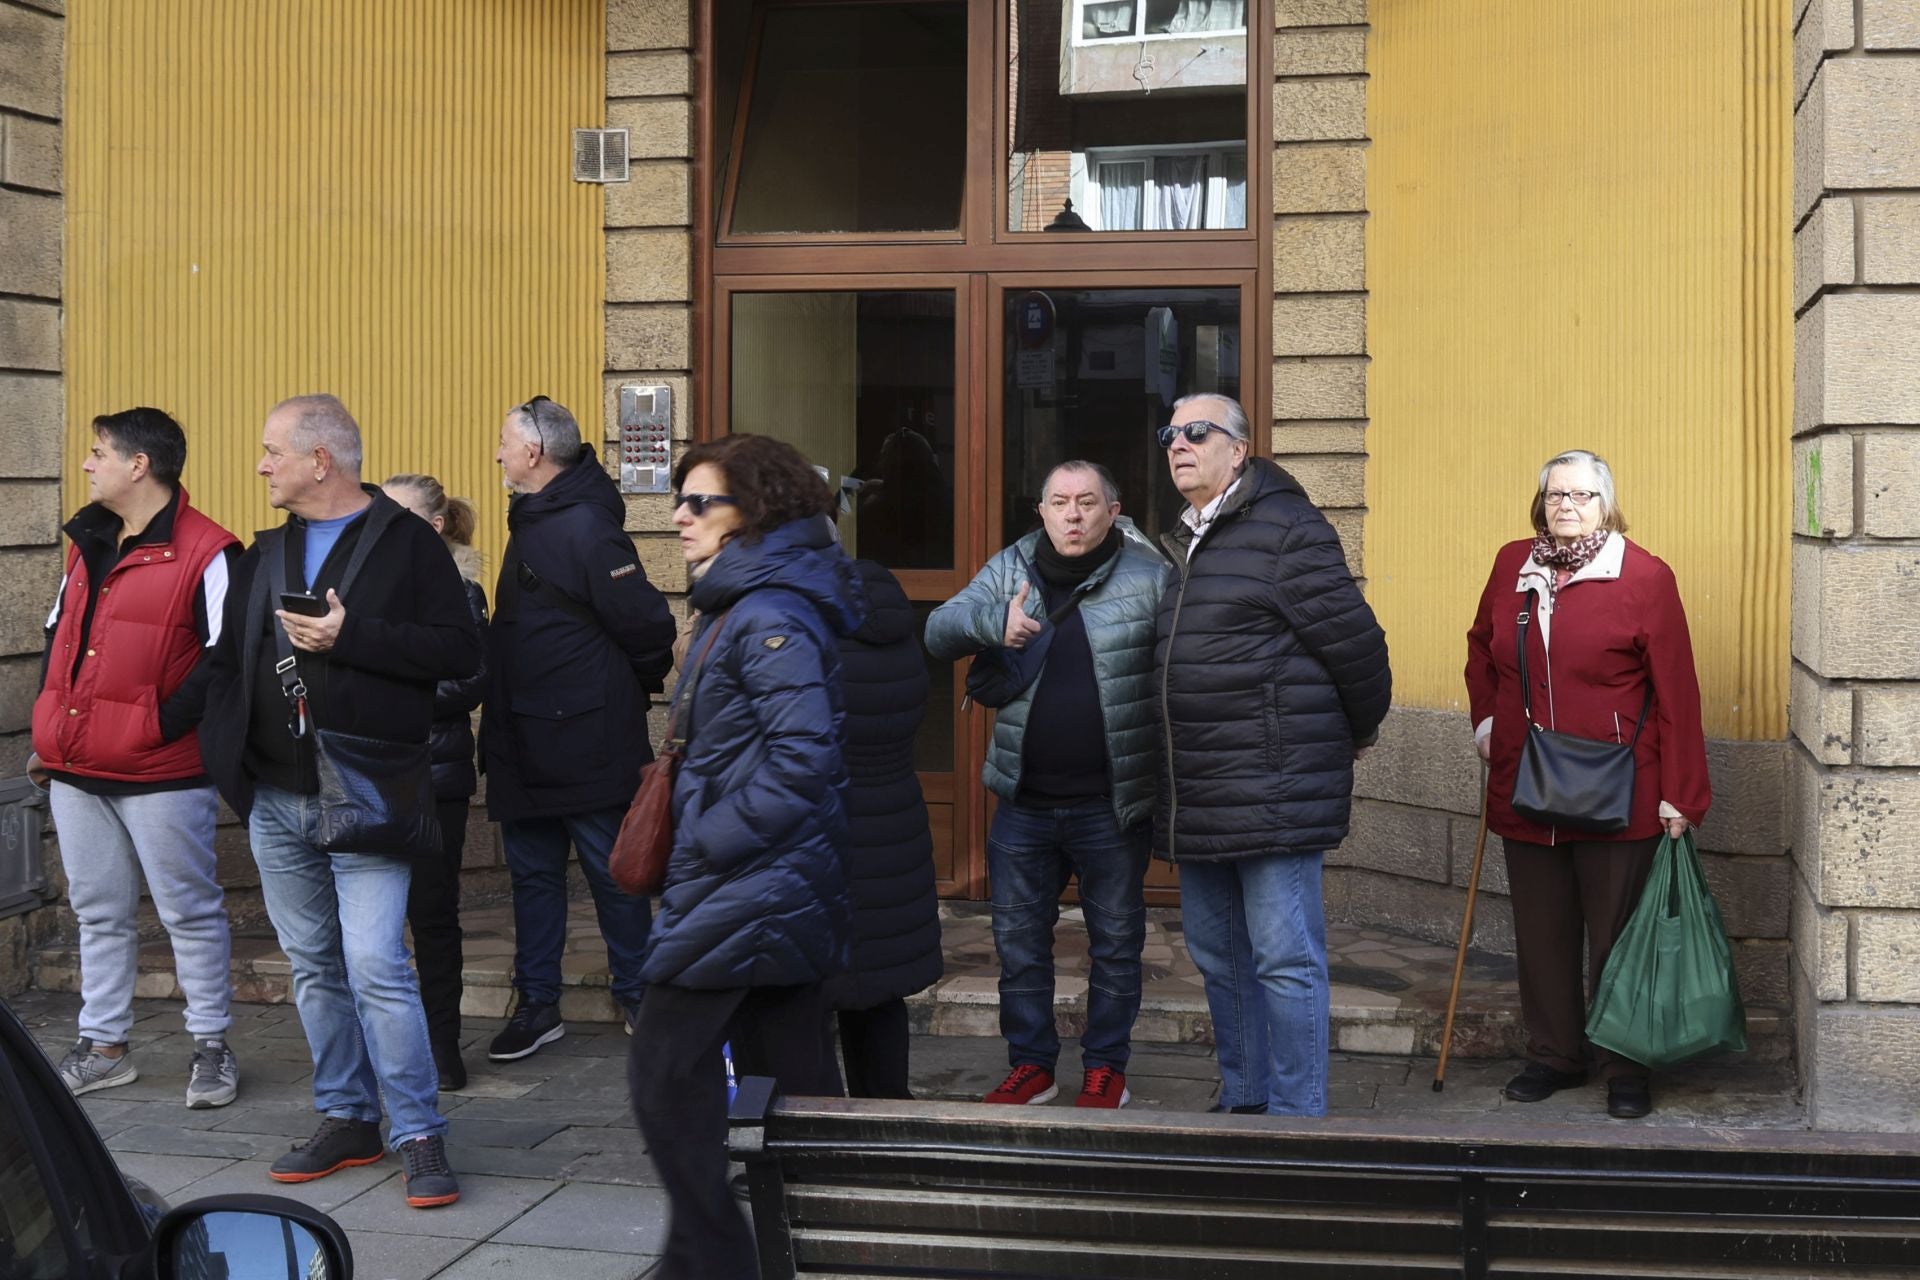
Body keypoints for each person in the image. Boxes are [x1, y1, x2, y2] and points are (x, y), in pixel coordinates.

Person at [201, 394, 482, 1208]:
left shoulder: (408, 546)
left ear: (319, 460)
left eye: (270, 451)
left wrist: (352, 638)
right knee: (316, 969)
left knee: (376, 967)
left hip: (367, 791)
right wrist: (220, 761)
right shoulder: (266, 551)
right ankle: (349, 1117)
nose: (260, 466)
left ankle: (419, 1131)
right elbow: (226, 663)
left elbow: (461, 652)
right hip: (275, 797)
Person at [629, 434, 862, 1280]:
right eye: (681, 499)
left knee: (663, 1072)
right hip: (772, 883)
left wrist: (708, 839)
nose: (679, 517)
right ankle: (815, 1250)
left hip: (748, 884)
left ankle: (711, 1258)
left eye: (701, 503)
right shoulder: (751, 600)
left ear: (754, 512)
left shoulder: (769, 613)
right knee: (795, 1085)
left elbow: (805, 757)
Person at [1154, 393, 1391, 1118]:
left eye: (1198, 431)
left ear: (1239, 451)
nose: (1179, 443)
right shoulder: (1185, 540)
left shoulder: (1287, 528)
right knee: (1219, 957)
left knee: (1285, 960)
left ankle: (1295, 1116)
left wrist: (1356, 730)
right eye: (1170, 433)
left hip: (1275, 789)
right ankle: (1246, 1098)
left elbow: (1359, 649)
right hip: (1199, 788)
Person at [1465, 449, 1711, 1120]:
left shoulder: (1644, 576)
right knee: (1541, 932)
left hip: (1621, 788)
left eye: (1580, 496)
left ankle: (1623, 1063)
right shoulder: (1513, 564)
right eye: (1553, 495)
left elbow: (1677, 692)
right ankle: (1554, 1056)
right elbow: (1481, 648)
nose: (1564, 506)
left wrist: (1680, 793)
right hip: (1527, 784)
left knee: (1616, 935)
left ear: (1607, 504)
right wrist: (1487, 722)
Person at [925, 461, 1165, 1109]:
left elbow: (1182, 672)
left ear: (1113, 511)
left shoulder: (1151, 579)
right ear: (1042, 511)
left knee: (1116, 943)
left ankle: (1105, 1068)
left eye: (1088, 501)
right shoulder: (1010, 568)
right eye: (1060, 502)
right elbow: (937, 629)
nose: (1074, 514)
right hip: (1023, 805)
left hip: (1111, 807)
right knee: (1019, 946)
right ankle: (1030, 1066)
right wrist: (990, 625)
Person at [29, 407, 242, 1108]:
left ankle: (212, 1045)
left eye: (98, 453)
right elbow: (61, 640)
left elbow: (226, 660)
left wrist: (156, 725)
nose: (88, 464)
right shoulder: (87, 541)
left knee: (189, 910)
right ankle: (105, 1044)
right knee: (98, 910)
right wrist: (46, 728)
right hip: (77, 768)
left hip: (161, 770)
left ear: (138, 465)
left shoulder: (211, 551)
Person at [481, 396, 676, 1061]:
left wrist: (617, 691)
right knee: (532, 879)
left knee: (613, 872)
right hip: (523, 739)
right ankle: (538, 1004)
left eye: (505, 443)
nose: (499, 453)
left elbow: (649, 626)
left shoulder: (587, 527)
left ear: (534, 454)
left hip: (586, 738)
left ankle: (639, 995)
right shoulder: (537, 517)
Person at [382, 473, 488, 1092]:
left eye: (395, 518)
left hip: (434, 773)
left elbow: (471, 679)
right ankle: (389, 1044)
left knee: (432, 914)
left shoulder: (461, 590)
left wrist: (391, 703)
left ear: (434, 526)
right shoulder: (363, 586)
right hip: (368, 772)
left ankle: (442, 1047)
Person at [824, 555, 942, 1099]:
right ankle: (888, 1118)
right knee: (877, 992)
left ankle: (817, 1141)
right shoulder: (891, 619)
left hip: (823, 830)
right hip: (892, 824)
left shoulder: (802, 626)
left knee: (807, 999)